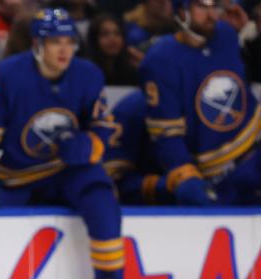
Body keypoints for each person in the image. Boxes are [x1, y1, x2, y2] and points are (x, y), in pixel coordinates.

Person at [0, 8, 135, 279]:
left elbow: (102, 124)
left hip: (65, 171)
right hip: (17, 178)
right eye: (55, 41)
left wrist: (91, 146)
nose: (64, 50)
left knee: (100, 194)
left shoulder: (87, 75)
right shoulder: (7, 75)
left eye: (69, 42)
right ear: (36, 44)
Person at [139, 0, 261, 204]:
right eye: (202, 7)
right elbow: (167, 133)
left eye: (214, 6)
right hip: (220, 173)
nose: (212, 14)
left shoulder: (226, 34)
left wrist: (250, 32)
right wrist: (184, 174)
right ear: (181, 12)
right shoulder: (160, 60)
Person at [104, 89, 171, 203]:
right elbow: (114, 181)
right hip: (145, 213)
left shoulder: (206, 107)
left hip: (203, 210)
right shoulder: (134, 107)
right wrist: (167, 185)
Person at [86, 13, 139, 84]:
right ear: (94, 40)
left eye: (117, 33)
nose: (113, 39)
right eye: (105, 34)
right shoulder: (85, 72)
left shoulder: (131, 73)